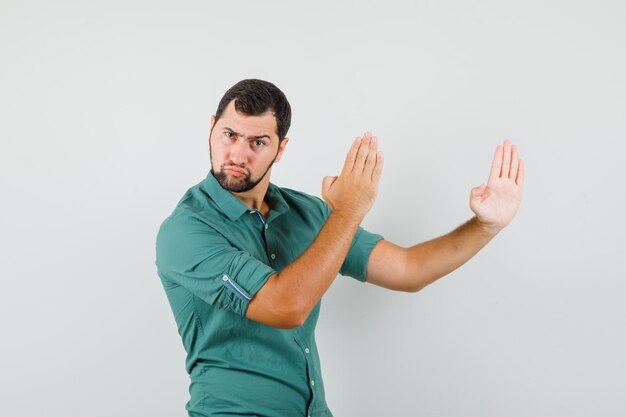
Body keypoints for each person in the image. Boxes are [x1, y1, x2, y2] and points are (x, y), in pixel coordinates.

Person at [155, 79, 524, 417]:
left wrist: (485, 225)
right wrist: (348, 210)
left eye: (257, 142)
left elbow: (409, 270)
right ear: (211, 128)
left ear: (281, 148)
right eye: (229, 134)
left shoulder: (309, 213)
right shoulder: (186, 230)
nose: (237, 154)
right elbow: (287, 307)